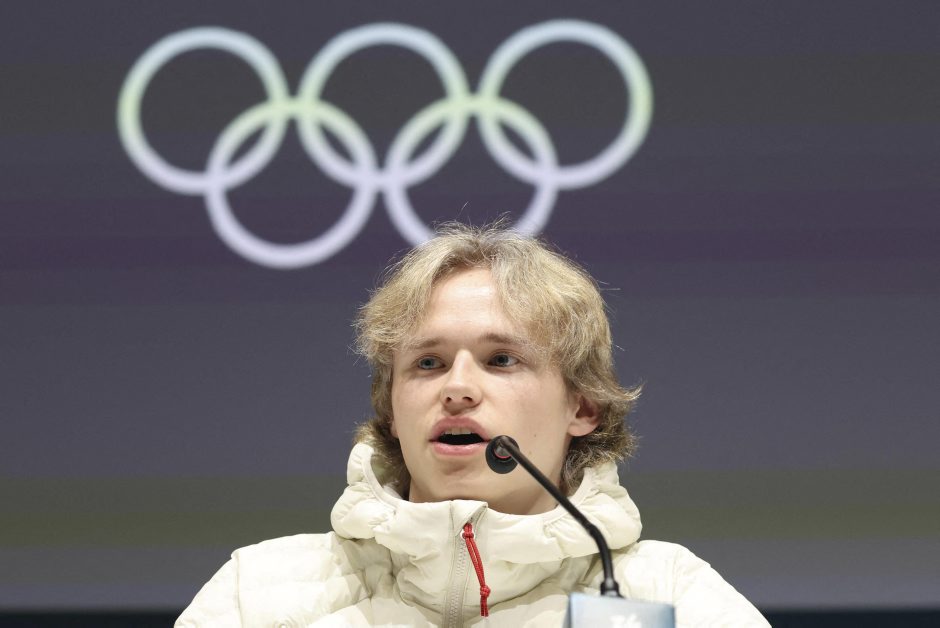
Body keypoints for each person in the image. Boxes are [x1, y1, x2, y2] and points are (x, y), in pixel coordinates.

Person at [177, 224, 769, 626]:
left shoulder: (675, 598)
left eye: (501, 360)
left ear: (583, 407)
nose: (457, 387)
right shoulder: (256, 595)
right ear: (391, 409)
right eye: (427, 363)